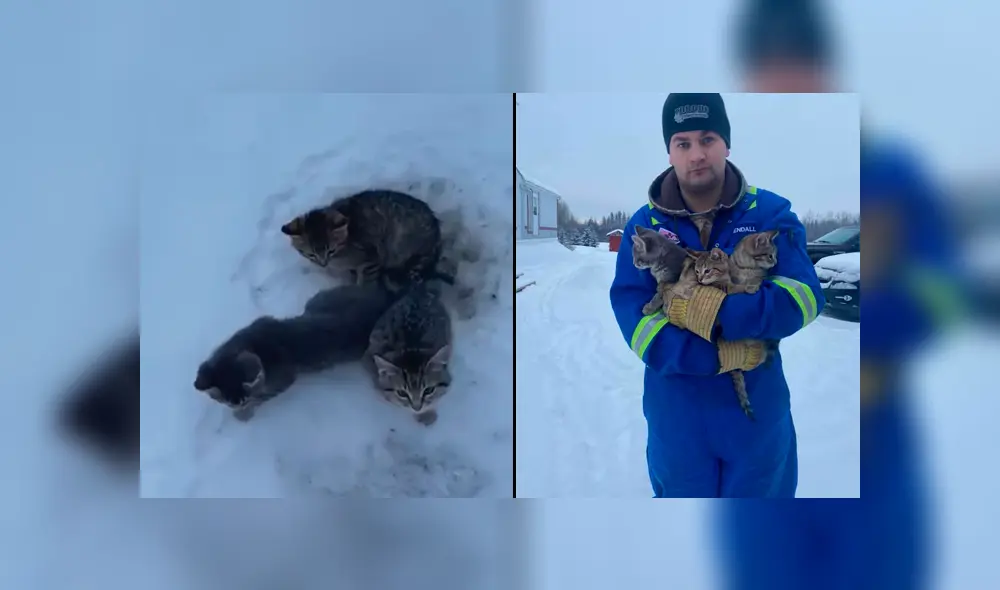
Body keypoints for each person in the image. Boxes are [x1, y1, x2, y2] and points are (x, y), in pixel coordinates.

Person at [711, 1, 963, 588]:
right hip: (756, 451)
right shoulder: (739, 202)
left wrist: (888, 306)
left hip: (881, 449)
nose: (783, 79)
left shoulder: (895, 172)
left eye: (796, 61)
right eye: (767, 65)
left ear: (824, 65)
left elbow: (943, 292)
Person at [608, 92, 825, 498]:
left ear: (727, 143)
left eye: (707, 139)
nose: (697, 155)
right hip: (677, 412)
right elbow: (633, 314)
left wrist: (724, 314)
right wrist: (707, 356)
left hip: (756, 413)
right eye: (683, 143)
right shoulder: (645, 225)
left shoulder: (768, 213)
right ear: (669, 151)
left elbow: (804, 296)